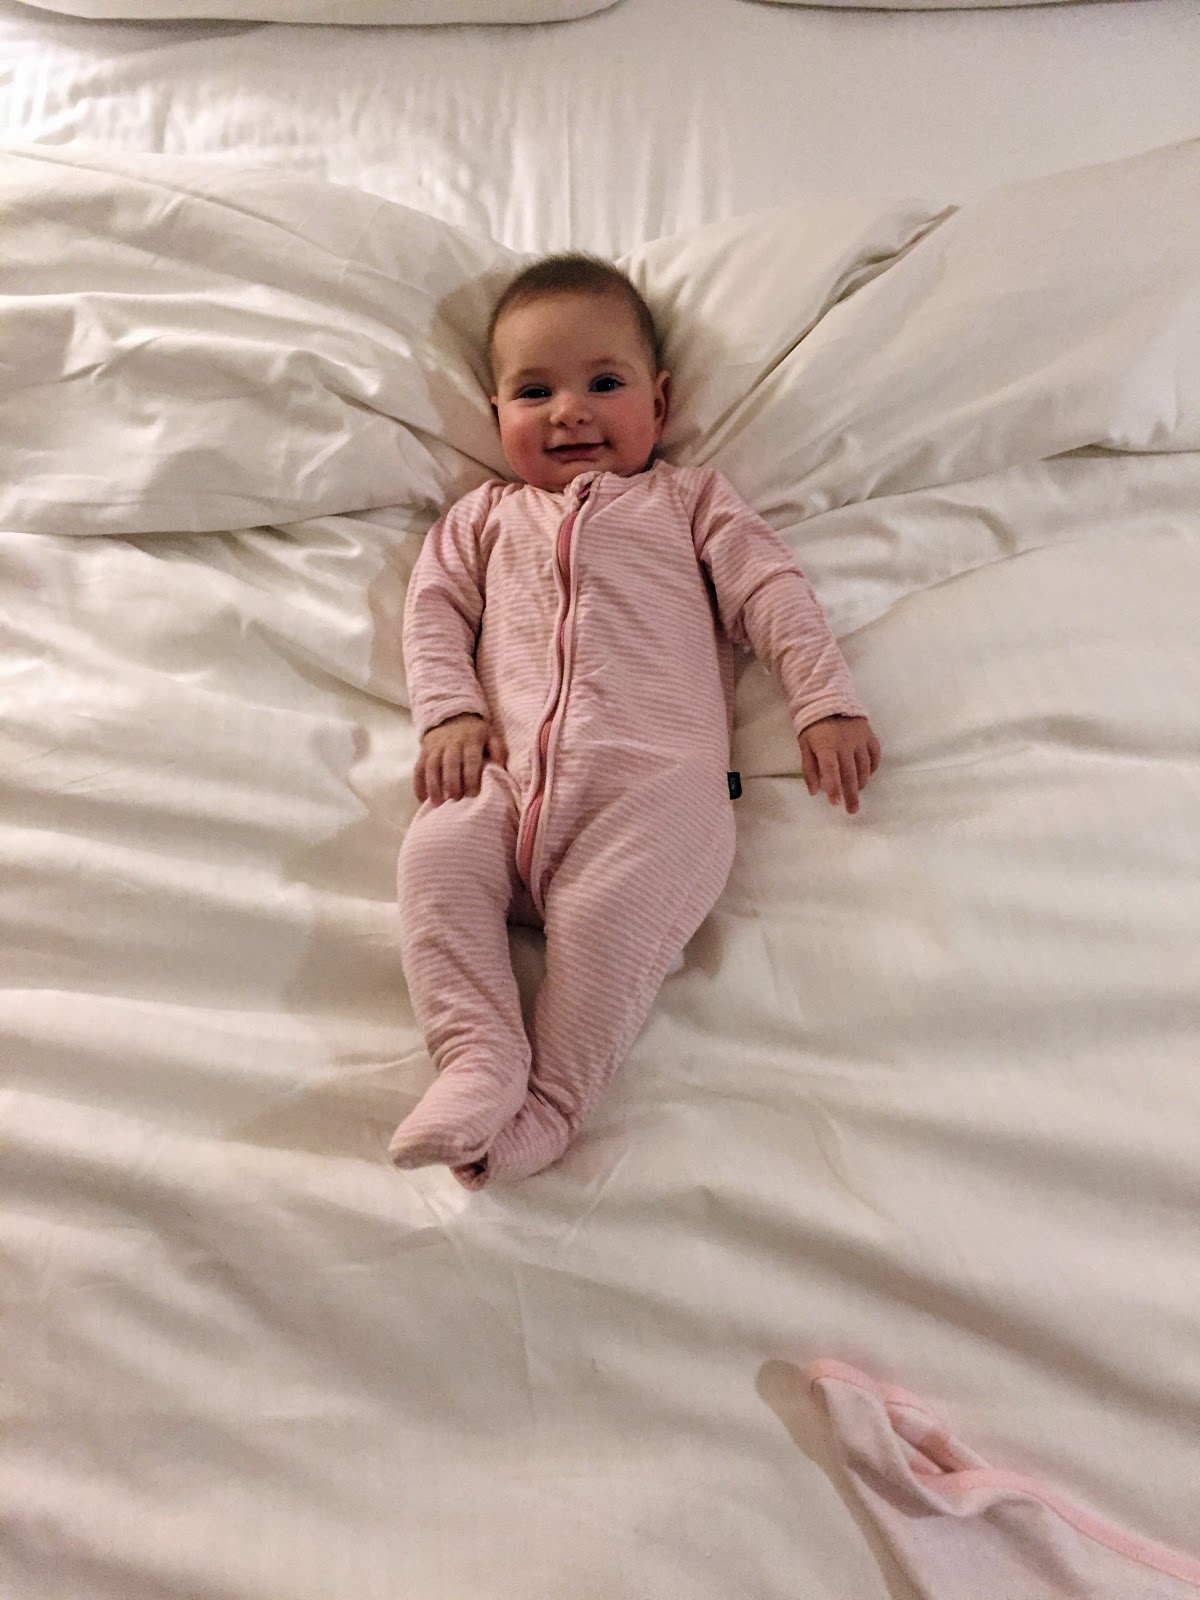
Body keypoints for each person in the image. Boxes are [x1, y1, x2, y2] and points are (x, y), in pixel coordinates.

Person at [391, 254, 881, 1188]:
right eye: (535, 392)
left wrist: (822, 699)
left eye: (604, 384)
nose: (570, 412)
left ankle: (552, 1103)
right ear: (495, 414)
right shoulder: (483, 517)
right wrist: (449, 712)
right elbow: (435, 610)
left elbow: (769, 590)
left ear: (659, 402)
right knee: (434, 859)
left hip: (653, 792)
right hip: (507, 782)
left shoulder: (690, 501)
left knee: (608, 926)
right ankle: (478, 1055)